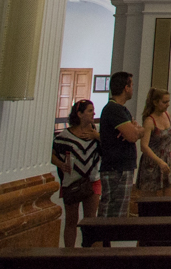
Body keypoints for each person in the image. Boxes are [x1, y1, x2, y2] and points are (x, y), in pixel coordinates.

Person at [52, 99, 101, 248]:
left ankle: (89, 252)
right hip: (71, 182)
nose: (93, 114)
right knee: (71, 220)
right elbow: (52, 153)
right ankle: (69, 253)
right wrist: (61, 164)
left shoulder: (95, 133)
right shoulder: (65, 136)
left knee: (90, 220)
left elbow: (108, 148)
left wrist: (97, 136)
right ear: (79, 114)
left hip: (93, 179)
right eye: (90, 111)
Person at [98, 72, 144, 218]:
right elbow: (133, 136)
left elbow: (139, 131)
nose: (132, 89)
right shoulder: (113, 109)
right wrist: (134, 130)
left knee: (119, 211)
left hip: (122, 167)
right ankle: (103, 234)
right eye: (131, 85)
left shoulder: (122, 110)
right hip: (116, 168)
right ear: (126, 87)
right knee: (112, 211)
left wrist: (135, 129)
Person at [136, 87, 171, 198]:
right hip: (153, 161)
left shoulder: (167, 115)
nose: (167, 104)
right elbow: (144, 146)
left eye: (168, 101)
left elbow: (168, 134)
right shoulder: (149, 121)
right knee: (150, 198)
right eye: (164, 102)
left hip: (168, 159)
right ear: (155, 103)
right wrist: (159, 161)